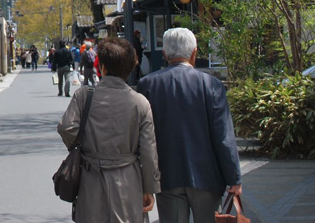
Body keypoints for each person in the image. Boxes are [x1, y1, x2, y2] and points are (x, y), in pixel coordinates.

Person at [137, 28, 242, 223]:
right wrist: (233, 177)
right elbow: (223, 136)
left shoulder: (148, 84)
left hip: (167, 175)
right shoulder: (211, 85)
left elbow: (144, 136)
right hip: (207, 176)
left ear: (165, 54)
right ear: (194, 53)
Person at [58, 37, 160, 223]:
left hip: (91, 175)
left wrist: (81, 146)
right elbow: (148, 151)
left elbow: (67, 127)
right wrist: (149, 188)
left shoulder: (84, 96)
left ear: (102, 67)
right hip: (128, 178)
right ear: (130, 68)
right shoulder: (140, 103)